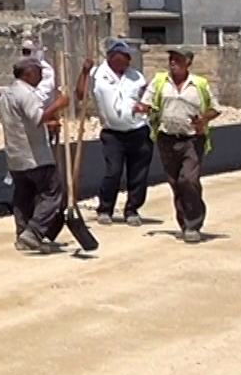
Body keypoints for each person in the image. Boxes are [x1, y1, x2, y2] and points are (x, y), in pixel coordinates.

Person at [136, 48, 219, 244]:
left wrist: (203, 119)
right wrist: (142, 108)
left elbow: (215, 108)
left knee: (188, 180)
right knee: (175, 183)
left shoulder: (199, 84)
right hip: (167, 139)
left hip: (191, 140)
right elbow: (147, 103)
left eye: (178, 59)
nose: (173, 62)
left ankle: (194, 223)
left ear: (188, 62)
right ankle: (185, 223)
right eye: (171, 59)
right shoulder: (160, 82)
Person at [78, 37, 151, 226]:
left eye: (127, 57)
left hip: (138, 131)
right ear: (111, 57)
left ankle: (132, 210)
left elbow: (147, 99)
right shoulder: (96, 75)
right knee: (113, 171)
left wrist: (146, 108)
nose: (126, 61)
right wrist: (84, 72)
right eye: (121, 57)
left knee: (138, 174)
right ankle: (105, 208)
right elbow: (80, 94)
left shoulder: (136, 77)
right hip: (113, 133)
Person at [1, 56, 71, 253]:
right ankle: (34, 232)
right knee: (53, 192)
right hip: (35, 156)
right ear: (29, 73)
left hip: (15, 156)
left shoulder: (7, 94)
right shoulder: (27, 94)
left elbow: (24, 122)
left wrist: (48, 124)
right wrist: (59, 104)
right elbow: (37, 116)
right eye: (38, 71)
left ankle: (22, 234)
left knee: (23, 196)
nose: (41, 76)